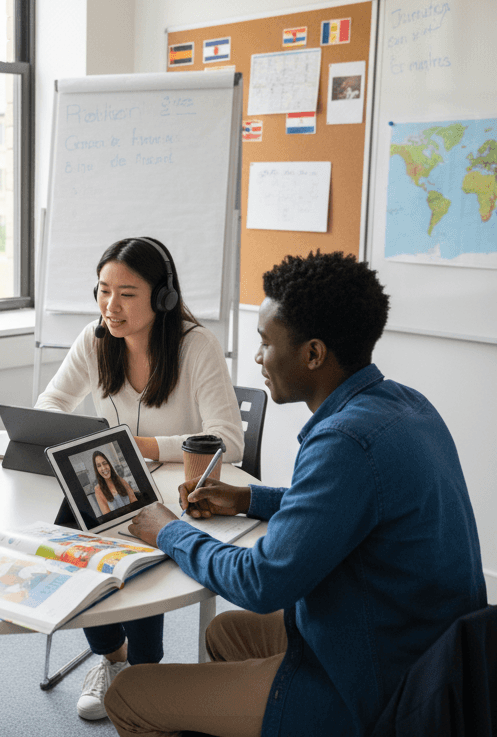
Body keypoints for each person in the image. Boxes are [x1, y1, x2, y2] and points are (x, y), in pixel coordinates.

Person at [108, 251, 486, 737]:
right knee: (225, 632)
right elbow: (349, 506)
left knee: (129, 695)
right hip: (423, 647)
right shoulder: (404, 404)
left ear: (313, 354)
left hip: (378, 686)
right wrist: (249, 499)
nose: (258, 358)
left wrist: (169, 531)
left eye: (266, 343)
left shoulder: (344, 442)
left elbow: (261, 583)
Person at [35, 236, 243, 721]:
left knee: (137, 537)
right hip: (111, 486)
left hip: (176, 491)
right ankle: (113, 657)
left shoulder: (196, 346)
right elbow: (51, 404)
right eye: (103, 290)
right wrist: (79, 439)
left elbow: (228, 440)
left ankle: (146, 669)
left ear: (163, 297)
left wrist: (140, 446)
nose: (111, 306)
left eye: (127, 294)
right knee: (69, 534)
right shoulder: (95, 339)